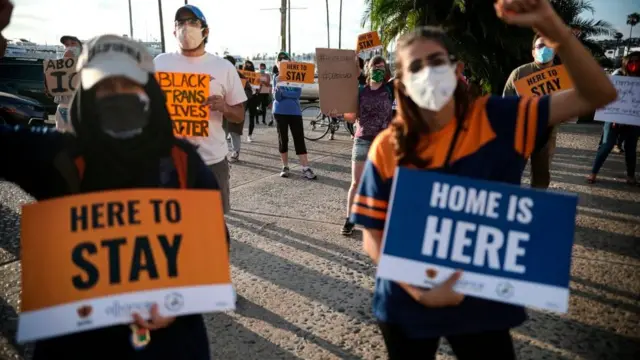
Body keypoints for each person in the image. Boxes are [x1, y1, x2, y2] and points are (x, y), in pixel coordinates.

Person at [350, 0, 617, 358]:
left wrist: (556, 30)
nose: (428, 73)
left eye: (436, 62)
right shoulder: (388, 146)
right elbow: (373, 234)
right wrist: (419, 289)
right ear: (401, 83)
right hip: (405, 301)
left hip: (481, 302)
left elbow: (599, 94)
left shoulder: (501, 119)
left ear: (457, 69)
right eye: (416, 67)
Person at [0, 34, 225, 360]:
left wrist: (180, 302)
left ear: (148, 89)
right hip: (76, 345)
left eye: (129, 84)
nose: (117, 95)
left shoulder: (180, 160)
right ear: (87, 95)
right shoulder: (57, 156)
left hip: (169, 343)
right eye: (105, 87)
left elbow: (215, 241)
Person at [154, 4, 247, 214]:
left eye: (193, 22)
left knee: (211, 225)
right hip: (168, 162)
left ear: (205, 31)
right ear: (174, 31)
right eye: (181, 22)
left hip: (212, 161)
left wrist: (224, 107)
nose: (186, 27)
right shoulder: (159, 64)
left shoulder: (224, 67)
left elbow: (239, 115)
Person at [342, 55, 394, 236]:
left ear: (385, 70)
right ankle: (350, 219)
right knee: (356, 182)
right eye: (374, 66)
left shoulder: (390, 90)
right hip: (362, 139)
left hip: (383, 143)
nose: (378, 70)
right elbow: (350, 116)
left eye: (381, 67)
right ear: (368, 69)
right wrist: (338, 110)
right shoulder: (360, 90)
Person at [503, 33, 559, 189]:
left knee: (541, 175)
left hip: (547, 134)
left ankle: (535, 204)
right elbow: (505, 103)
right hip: (519, 132)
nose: (544, 49)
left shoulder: (562, 77)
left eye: (548, 46)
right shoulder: (519, 74)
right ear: (533, 51)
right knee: (511, 172)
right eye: (540, 46)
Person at [587, 51, 640, 185]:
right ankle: (593, 173)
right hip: (614, 118)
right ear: (626, 62)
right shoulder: (618, 75)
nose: (634, 64)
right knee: (606, 146)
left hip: (633, 120)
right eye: (631, 61)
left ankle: (630, 176)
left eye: (637, 61)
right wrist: (615, 116)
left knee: (631, 149)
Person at [273, 51, 317, 179]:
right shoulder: (276, 77)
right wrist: (277, 87)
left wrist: (284, 93)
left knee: (299, 139)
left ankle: (305, 167)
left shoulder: (296, 76)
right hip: (280, 112)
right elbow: (277, 97)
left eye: (285, 60)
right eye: (280, 60)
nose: (283, 62)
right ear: (277, 63)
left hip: (295, 112)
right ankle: (285, 166)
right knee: (283, 140)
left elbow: (297, 94)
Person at [47, 35, 82, 133]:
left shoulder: (87, 65)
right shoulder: (59, 66)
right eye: (67, 45)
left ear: (80, 47)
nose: (70, 47)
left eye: (73, 43)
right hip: (62, 108)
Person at [225, 57, 254, 162]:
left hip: (235, 109)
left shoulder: (240, 76)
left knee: (234, 132)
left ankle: (235, 153)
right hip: (221, 109)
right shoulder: (218, 75)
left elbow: (249, 92)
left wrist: (239, 96)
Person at [243, 60, 260, 142]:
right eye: (247, 66)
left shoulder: (256, 76)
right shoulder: (241, 75)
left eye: (249, 66)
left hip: (252, 98)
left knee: (251, 117)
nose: (248, 68)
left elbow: (258, 90)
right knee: (239, 116)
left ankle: (249, 135)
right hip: (243, 97)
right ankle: (233, 134)